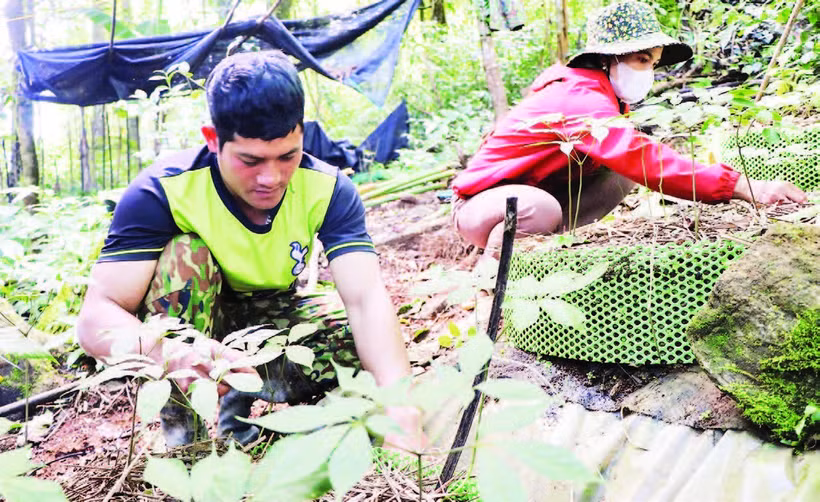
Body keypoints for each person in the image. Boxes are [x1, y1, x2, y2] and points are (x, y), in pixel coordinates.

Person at [77, 50, 421, 450]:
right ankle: (185, 440)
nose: (271, 178)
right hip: (191, 333)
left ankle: (261, 424)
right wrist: (170, 353)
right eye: (250, 160)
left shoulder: (327, 189)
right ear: (212, 139)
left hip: (273, 321)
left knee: (352, 339)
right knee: (185, 256)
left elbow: (365, 300)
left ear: (302, 136)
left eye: (287, 156)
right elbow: (97, 317)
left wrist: (401, 408)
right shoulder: (162, 192)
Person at [451, 1, 807, 255]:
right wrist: (740, 185)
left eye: (651, 62)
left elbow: (633, 159)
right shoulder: (579, 97)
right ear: (608, 59)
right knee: (542, 208)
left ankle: (551, 252)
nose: (648, 70)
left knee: (618, 175)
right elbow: (642, 157)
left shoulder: (603, 98)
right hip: (482, 207)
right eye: (641, 59)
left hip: (528, 194)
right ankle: (497, 277)